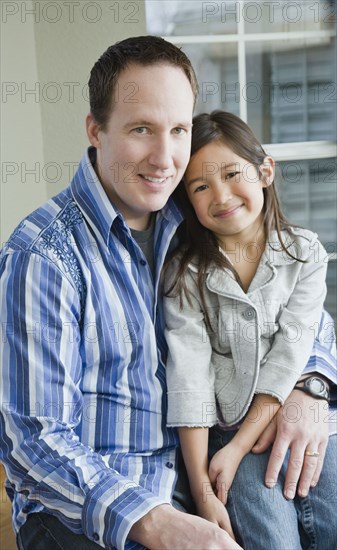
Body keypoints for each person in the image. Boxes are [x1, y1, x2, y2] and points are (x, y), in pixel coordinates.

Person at [0, 37, 335, 550]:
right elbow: (34, 441)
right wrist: (155, 520)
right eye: (141, 130)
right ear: (96, 130)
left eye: (178, 130)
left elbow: (296, 310)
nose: (164, 156)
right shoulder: (43, 256)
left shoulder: (196, 219)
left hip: (192, 477)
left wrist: (309, 384)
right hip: (85, 514)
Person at [163, 110, 337, 549]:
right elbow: (190, 378)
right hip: (225, 432)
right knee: (271, 539)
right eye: (200, 187)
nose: (220, 195)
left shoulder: (306, 253)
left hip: (299, 416)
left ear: (264, 171)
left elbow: (291, 352)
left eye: (231, 173)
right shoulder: (185, 275)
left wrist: (242, 445)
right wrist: (203, 488)